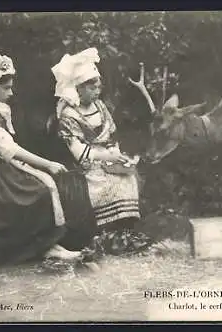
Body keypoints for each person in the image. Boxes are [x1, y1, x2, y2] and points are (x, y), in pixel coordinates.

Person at [0, 52, 98, 267]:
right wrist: (47, 164)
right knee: (37, 190)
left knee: (43, 184)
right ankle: (38, 246)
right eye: (6, 88)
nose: (11, 92)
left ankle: (49, 244)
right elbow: (8, 148)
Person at [49, 47, 152, 256]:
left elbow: (111, 136)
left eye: (98, 86)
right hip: (84, 165)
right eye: (92, 87)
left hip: (107, 158)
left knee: (128, 177)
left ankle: (123, 234)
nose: (97, 91)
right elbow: (78, 152)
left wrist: (118, 155)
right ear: (78, 88)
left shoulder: (100, 106)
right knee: (106, 182)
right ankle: (106, 236)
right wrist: (108, 157)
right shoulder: (68, 115)